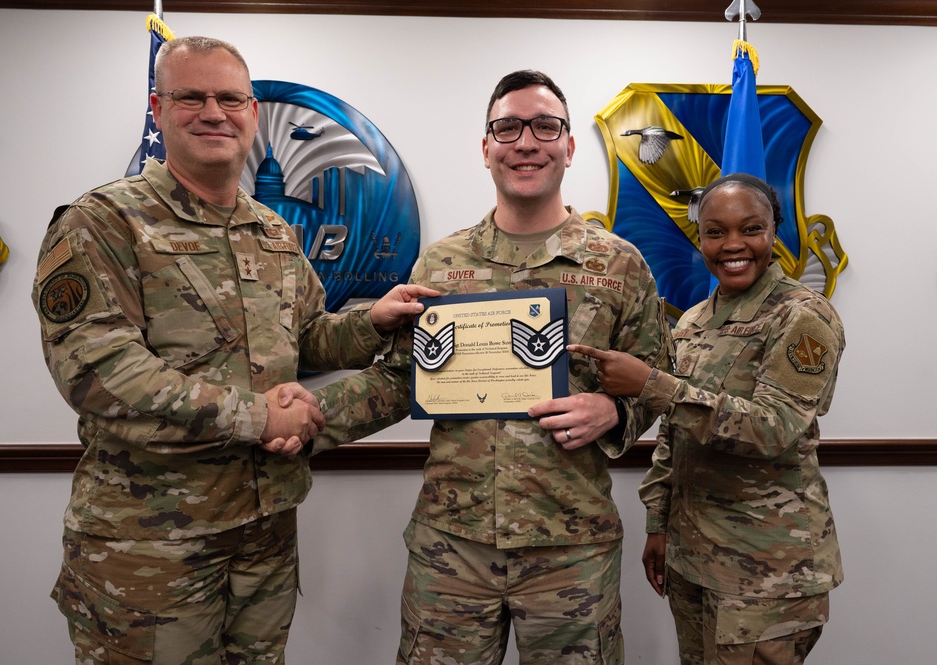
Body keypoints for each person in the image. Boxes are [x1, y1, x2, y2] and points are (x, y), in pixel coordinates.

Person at [31, 35, 437, 664]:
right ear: (158, 109)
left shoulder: (271, 230)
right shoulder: (104, 221)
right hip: (151, 544)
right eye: (191, 96)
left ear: (252, 112)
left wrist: (373, 323)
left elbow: (307, 340)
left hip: (264, 530)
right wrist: (261, 417)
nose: (213, 112)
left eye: (229, 98)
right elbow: (98, 372)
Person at [310, 70, 669, 664]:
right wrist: (309, 416)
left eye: (545, 126)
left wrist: (613, 411)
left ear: (569, 146)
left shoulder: (619, 263)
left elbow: (655, 383)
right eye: (507, 127)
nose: (526, 142)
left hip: (571, 549)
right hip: (452, 547)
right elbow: (402, 380)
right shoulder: (442, 262)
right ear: (486, 148)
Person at [569, 172, 845, 664]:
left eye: (750, 229)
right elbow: (676, 437)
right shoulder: (695, 320)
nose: (732, 245)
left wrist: (651, 385)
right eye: (715, 232)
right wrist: (659, 525)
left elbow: (774, 428)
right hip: (695, 559)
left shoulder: (801, 316)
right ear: (700, 238)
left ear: (773, 233)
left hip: (767, 575)